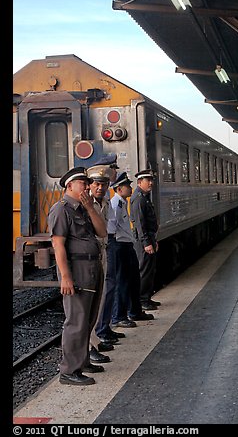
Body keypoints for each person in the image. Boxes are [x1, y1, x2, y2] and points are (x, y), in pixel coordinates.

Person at [47, 167, 107, 385]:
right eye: (83, 182)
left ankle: (83, 361)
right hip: (78, 270)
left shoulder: (84, 208)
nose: (87, 186)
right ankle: (69, 370)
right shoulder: (61, 210)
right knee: (76, 320)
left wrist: (91, 208)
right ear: (69, 186)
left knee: (89, 317)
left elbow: (102, 232)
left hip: (92, 267)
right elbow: (59, 246)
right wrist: (65, 277)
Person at [109, 172, 154, 328]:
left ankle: (135, 311)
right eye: (128, 186)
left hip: (128, 244)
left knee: (133, 279)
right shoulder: (115, 204)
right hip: (119, 245)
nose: (130, 188)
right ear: (120, 189)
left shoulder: (122, 203)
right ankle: (118, 316)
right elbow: (111, 229)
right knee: (121, 281)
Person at [86, 155, 117, 363]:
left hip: (102, 252)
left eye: (104, 184)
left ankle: (95, 340)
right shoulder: (84, 204)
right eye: (97, 184)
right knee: (87, 305)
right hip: (89, 257)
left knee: (101, 298)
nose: (100, 188)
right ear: (90, 185)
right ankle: (88, 348)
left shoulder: (104, 202)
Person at [130, 169, 161, 311]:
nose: (151, 183)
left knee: (150, 270)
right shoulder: (139, 198)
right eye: (147, 180)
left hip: (149, 238)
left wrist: (153, 240)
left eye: (151, 180)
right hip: (143, 241)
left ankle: (147, 297)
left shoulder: (144, 196)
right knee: (144, 270)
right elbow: (140, 223)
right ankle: (142, 300)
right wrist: (146, 242)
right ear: (139, 182)